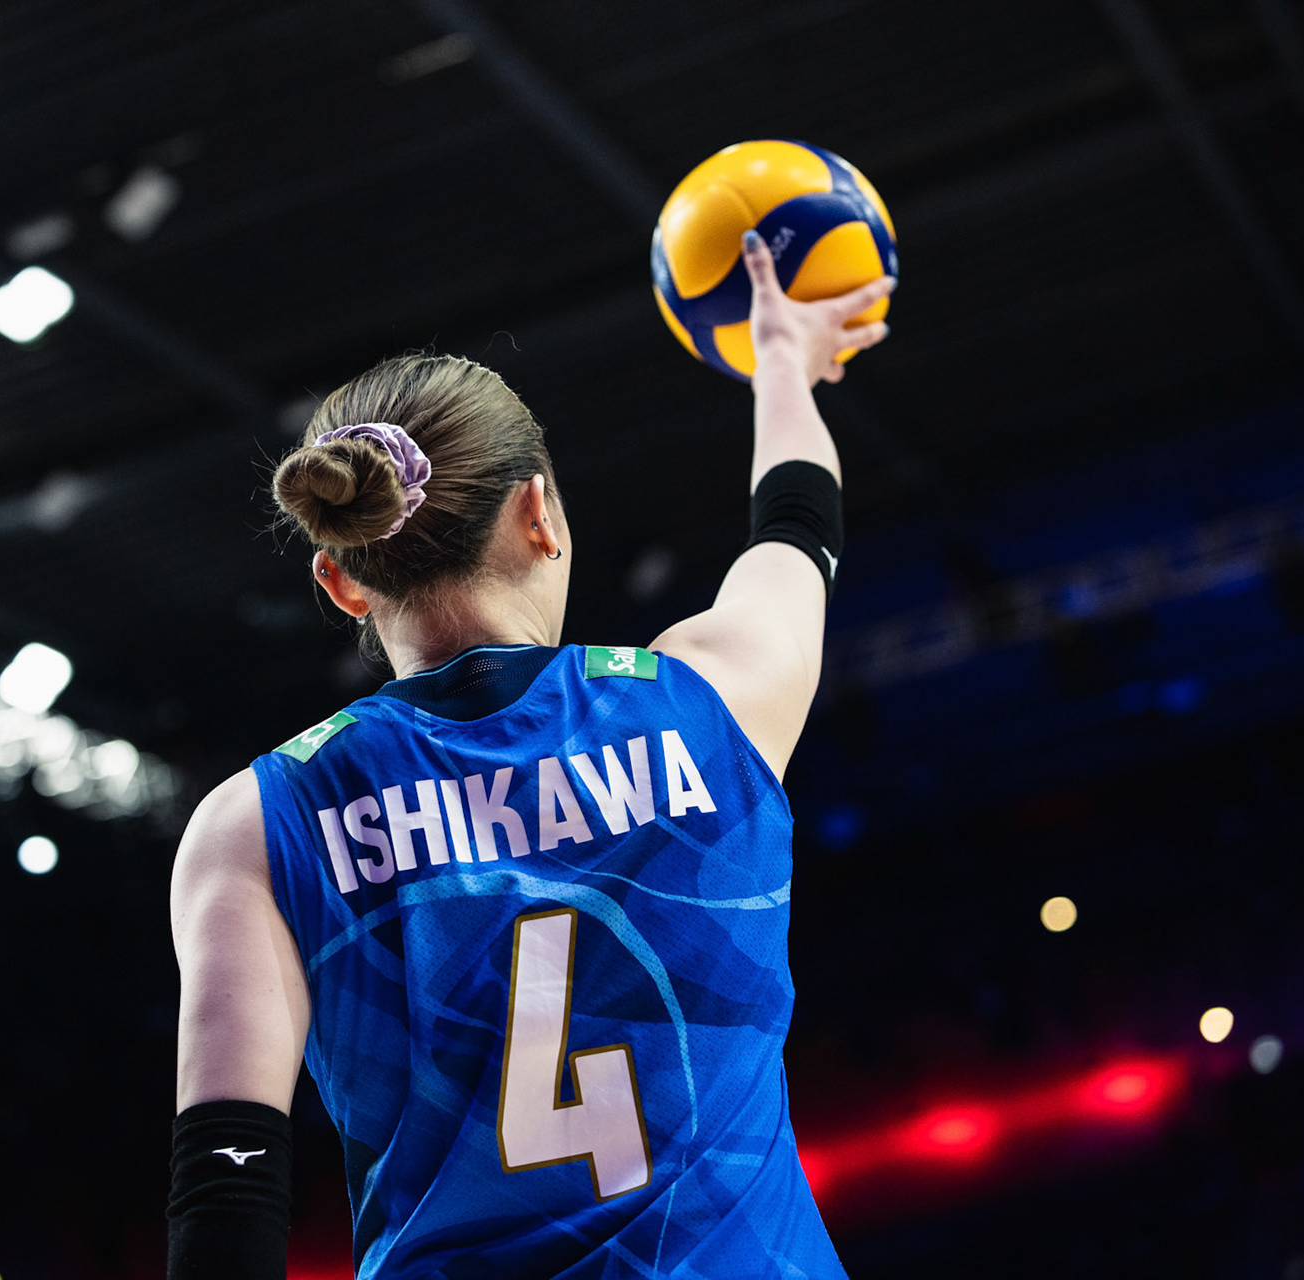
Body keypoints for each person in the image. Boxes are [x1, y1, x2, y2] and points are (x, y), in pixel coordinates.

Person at [168, 231, 894, 1278]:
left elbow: (226, 1190)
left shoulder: (258, 822)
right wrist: (781, 357)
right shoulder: (711, 696)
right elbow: (796, 527)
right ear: (539, 513)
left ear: (340, 581)